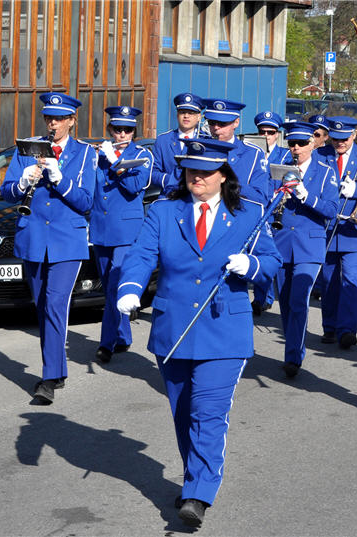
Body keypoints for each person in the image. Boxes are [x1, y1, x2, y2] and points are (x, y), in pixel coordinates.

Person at [116, 138, 281, 527]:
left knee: (208, 414)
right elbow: (142, 254)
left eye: (205, 172)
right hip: (173, 326)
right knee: (183, 412)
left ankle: (198, 492)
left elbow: (273, 261)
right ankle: (195, 476)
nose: (197, 178)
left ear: (223, 175)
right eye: (191, 171)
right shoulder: (164, 211)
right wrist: (129, 289)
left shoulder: (249, 214)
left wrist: (252, 264)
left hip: (224, 329)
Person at [1, 92, 96, 404]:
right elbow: (8, 191)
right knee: (42, 306)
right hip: (33, 238)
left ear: (71, 121)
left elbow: (85, 201)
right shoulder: (29, 149)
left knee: (56, 304)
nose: (53, 124)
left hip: (67, 241)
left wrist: (59, 179)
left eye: (59, 119)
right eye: (48, 118)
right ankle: (58, 368)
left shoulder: (84, 154)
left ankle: (49, 377)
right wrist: (23, 181)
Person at [273, 121, 338, 378]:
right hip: (282, 242)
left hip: (309, 244)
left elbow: (331, 210)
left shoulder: (325, 172)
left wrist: (305, 195)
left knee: (299, 300)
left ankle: (293, 356)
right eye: (291, 144)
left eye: (301, 144)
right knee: (286, 303)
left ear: (313, 143)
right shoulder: (280, 169)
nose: (296, 149)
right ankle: (293, 348)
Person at [90, 106, 153, 363]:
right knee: (109, 287)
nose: (122, 134)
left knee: (117, 284)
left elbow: (134, 186)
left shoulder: (142, 155)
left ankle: (106, 343)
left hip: (127, 230)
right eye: (118, 129)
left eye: (128, 129)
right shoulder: (98, 154)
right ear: (110, 130)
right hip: (100, 228)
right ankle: (124, 336)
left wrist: (116, 162)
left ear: (134, 131)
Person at [316, 116, 357, 348]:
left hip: (354, 228)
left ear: (354, 135)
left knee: (350, 279)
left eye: (344, 139)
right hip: (327, 226)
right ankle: (330, 326)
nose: (339, 144)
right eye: (335, 139)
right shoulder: (321, 155)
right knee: (328, 280)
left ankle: (347, 330)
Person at [251, 111, 292, 314]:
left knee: (275, 254)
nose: (266, 136)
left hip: (276, 211)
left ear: (278, 134)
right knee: (259, 253)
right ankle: (261, 297)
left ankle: (271, 295)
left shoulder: (285, 155)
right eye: (262, 131)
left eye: (271, 132)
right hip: (257, 211)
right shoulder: (252, 152)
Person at [203, 98, 271, 205]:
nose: (216, 127)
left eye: (222, 123)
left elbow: (261, 197)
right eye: (211, 122)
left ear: (236, 122)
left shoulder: (253, 154)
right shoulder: (199, 149)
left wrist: (229, 185)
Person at [152, 92, 205, 194]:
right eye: (182, 112)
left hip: (195, 196)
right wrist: (172, 181)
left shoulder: (205, 141)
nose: (186, 116)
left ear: (199, 117)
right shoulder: (163, 140)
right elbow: (153, 172)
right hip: (169, 194)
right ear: (177, 115)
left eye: (191, 113)